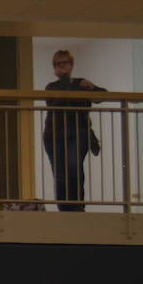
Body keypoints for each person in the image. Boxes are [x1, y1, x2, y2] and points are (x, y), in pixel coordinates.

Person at [42, 49, 103, 212]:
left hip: (78, 133)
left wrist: (92, 89)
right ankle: (63, 208)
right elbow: (57, 101)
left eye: (64, 63)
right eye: (58, 64)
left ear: (71, 65)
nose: (61, 66)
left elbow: (102, 97)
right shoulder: (52, 87)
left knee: (74, 166)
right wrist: (64, 80)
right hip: (54, 135)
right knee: (60, 174)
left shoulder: (81, 84)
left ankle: (77, 206)